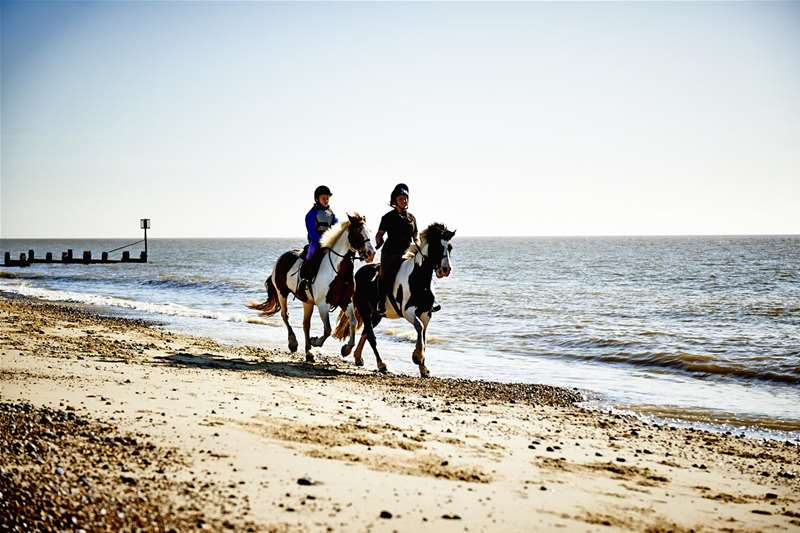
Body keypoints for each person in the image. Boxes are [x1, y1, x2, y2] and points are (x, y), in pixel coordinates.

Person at [375, 183, 418, 315]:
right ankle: (381, 303)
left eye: (405, 198)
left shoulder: (412, 218)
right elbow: (379, 234)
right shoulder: (387, 217)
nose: (404, 201)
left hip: (407, 252)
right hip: (390, 253)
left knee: (423, 270)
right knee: (385, 276)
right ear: (395, 201)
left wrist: (418, 245)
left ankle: (427, 301)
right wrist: (378, 240)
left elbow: (415, 235)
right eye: (401, 199)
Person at [298, 185, 338, 294]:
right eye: (323, 198)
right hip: (316, 241)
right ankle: (304, 279)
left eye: (327, 198)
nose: (326, 200)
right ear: (317, 199)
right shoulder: (311, 214)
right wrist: (323, 240)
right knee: (311, 253)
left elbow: (336, 227)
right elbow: (311, 231)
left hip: (330, 242)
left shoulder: (331, 214)